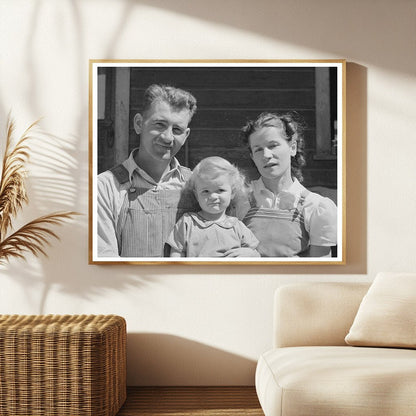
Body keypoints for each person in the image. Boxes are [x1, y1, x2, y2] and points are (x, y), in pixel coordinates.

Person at [97, 84, 199, 257]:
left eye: (177, 130)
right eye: (159, 124)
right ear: (138, 124)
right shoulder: (105, 186)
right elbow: (105, 261)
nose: (168, 137)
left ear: (186, 135)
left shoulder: (197, 185)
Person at [238, 112, 337, 257]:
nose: (266, 155)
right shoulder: (239, 201)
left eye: (273, 145)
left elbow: (319, 271)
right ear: (252, 156)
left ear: (292, 148)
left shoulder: (316, 207)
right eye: (258, 149)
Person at [166, 156, 260, 258]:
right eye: (206, 191)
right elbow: (176, 252)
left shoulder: (236, 226)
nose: (213, 197)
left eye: (220, 190)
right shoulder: (188, 222)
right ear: (197, 195)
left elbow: (255, 254)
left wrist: (250, 254)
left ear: (232, 192)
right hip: (196, 273)